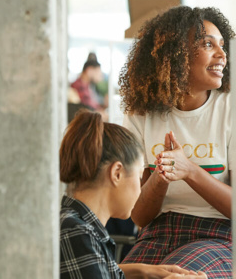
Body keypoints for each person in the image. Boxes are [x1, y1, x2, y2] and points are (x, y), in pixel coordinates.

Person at [118, 6, 236, 279]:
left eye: (222, 45)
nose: (222, 55)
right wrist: (161, 177)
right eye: (208, 44)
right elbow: (139, 217)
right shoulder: (140, 115)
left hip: (220, 235)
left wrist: (189, 171)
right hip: (159, 231)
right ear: (174, 55)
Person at [59, 109, 207, 279]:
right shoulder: (78, 233)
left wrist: (144, 270)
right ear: (117, 174)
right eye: (138, 177)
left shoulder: (77, 225)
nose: (140, 190)